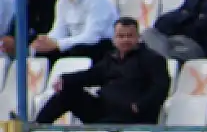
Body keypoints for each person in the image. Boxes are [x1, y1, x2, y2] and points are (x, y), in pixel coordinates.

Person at [34, 17, 168, 126]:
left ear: (138, 37)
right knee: (67, 93)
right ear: (114, 39)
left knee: (103, 127)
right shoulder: (111, 58)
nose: (125, 40)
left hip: (130, 115)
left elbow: (160, 88)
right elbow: (92, 75)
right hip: (103, 108)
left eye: (130, 36)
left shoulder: (152, 59)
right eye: (121, 36)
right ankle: (37, 127)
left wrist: (139, 106)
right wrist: (64, 79)